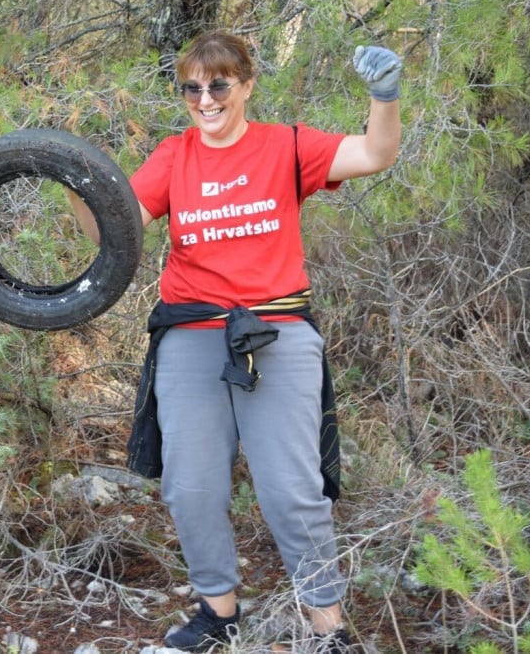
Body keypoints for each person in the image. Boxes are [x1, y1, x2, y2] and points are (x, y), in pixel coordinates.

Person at [73, 33, 402, 652]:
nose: (205, 99)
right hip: (190, 334)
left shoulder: (288, 145)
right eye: (192, 88)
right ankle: (218, 613)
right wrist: (72, 175)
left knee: (291, 488)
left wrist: (384, 95)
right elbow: (108, 230)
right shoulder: (174, 157)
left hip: (275, 331)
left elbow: (376, 153)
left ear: (246, 85)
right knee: (191, 486)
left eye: (218, 84)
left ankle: (327, 627)